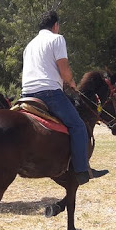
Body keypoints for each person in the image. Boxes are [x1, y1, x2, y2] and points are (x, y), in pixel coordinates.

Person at [21, 10, 103, 186]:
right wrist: (71, 81)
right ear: (55, 25)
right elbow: (63, 68)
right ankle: (82, 170)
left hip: (26, 95)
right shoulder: (57, 39)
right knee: (78, 126)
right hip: (49, 93)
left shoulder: (29, 45)